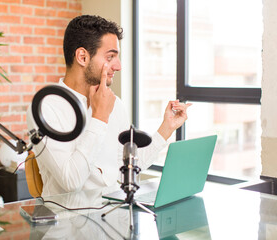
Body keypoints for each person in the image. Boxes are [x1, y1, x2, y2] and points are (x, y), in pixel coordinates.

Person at [27, 15, 191, 197]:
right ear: (82, 57)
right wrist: (99, 117)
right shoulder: (45, 108)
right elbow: (70, 181)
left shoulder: (115, 104)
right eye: (110, 56)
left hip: (113, 213)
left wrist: (166, 128)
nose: (118, 66)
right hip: (69, 220)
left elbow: (129, 166)